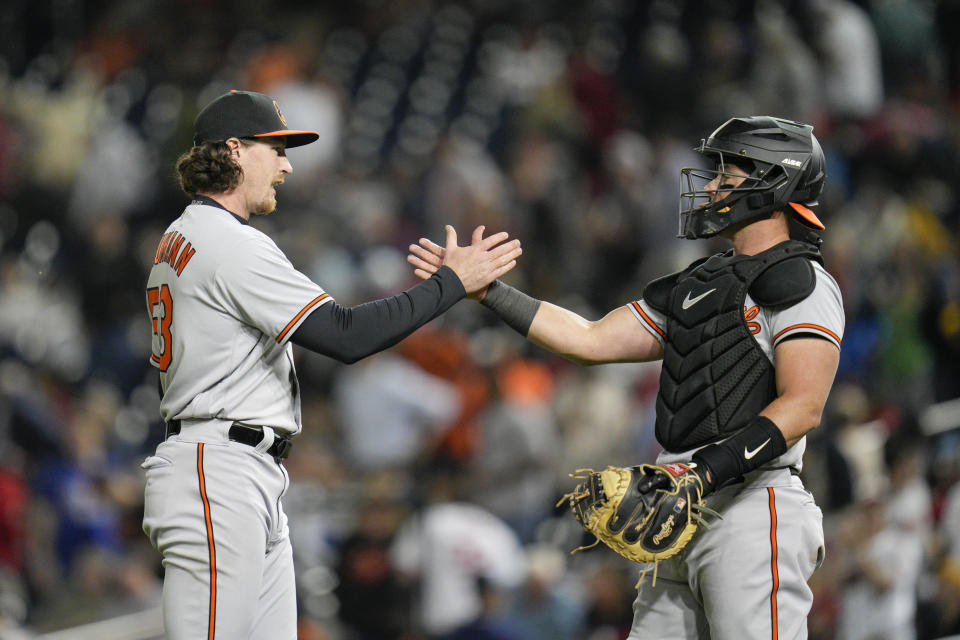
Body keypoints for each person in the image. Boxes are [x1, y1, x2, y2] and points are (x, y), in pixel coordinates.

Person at [409, 115, 843, 638]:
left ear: (774, 180)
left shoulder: (803, 281)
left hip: (752, 503)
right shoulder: (697, 284)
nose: (708, 186)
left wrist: (702, 474)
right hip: (676, 509)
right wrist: (488, 291)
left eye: (725, 174)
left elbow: (803, 406)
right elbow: (589, 339)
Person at [141, 89, 521, 639]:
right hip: (218, 470)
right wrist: (452, 283)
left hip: (239, 468)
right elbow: (347, 335)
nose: (287, 164)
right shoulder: (226, 242)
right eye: (275, 149)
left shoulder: (185, 237)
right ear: (234, 151)